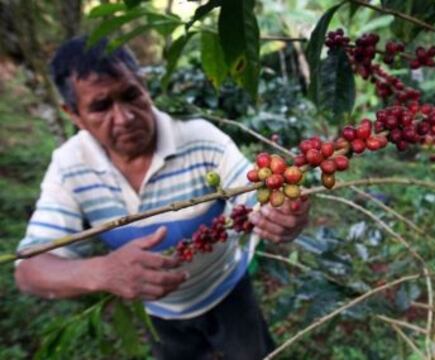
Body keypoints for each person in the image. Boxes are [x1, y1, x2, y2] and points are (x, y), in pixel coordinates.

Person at [13, 36, 310, 360]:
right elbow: (30, 268)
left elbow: (254, 194)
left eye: (131, 95)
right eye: (101, 106)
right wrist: (101, 272)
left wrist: (276, 212)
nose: (125, 117)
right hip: (161, 315)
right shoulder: (68, 167)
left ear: (144, 84)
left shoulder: (200, 138)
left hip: (228, 291)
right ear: (73, 114)